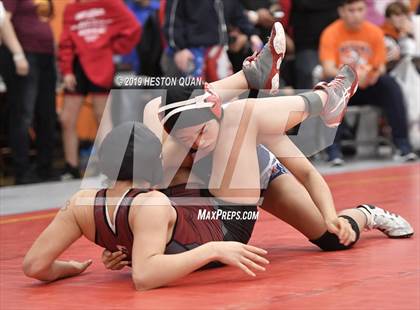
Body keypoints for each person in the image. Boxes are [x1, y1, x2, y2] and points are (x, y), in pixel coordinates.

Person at [319, 0, 417, 165]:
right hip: (345, 87)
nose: (356, 14)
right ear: (341, 11)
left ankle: (403, 146)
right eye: (351, 10)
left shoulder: (374, 32)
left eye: (360, 9)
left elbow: (381, 67)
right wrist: (354, 77)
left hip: (368, 85)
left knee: (390, 85)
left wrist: (372, 73)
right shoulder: (331, 32)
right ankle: (333, 151)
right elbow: (328, 68)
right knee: (330, 85)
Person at [58, 0, 141, 180]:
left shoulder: (110, 3)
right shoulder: (71, 8)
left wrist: (113, 48)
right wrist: (66, 71)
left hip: (101, 65)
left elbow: (133, 28)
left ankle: (110, 168)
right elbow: (65, 42)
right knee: (67, 119)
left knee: (102, 117)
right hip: (77, 66)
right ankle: (71, 167)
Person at [0, 0, 56, 184]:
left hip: (45, 56)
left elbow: (43, 19)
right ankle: (22, 171)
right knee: (23, 114)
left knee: (47, 113)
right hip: (24, 54)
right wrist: (18, 55)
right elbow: (3, 21)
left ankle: (45, 167)